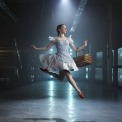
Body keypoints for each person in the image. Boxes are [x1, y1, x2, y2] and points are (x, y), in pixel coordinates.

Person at [31, 24, 88, 98]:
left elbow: (76, 49)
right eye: (64, 28)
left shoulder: (68, 39)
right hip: (59, 59)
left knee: (60, 78)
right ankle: (79, 91)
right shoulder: (56, 39)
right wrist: (36, 48)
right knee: (68, 74)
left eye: (66, 28)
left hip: (67, 58)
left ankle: (49, 72)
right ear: (59, 29)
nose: (66, 29)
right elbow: (46, 48)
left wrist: (84, 45)